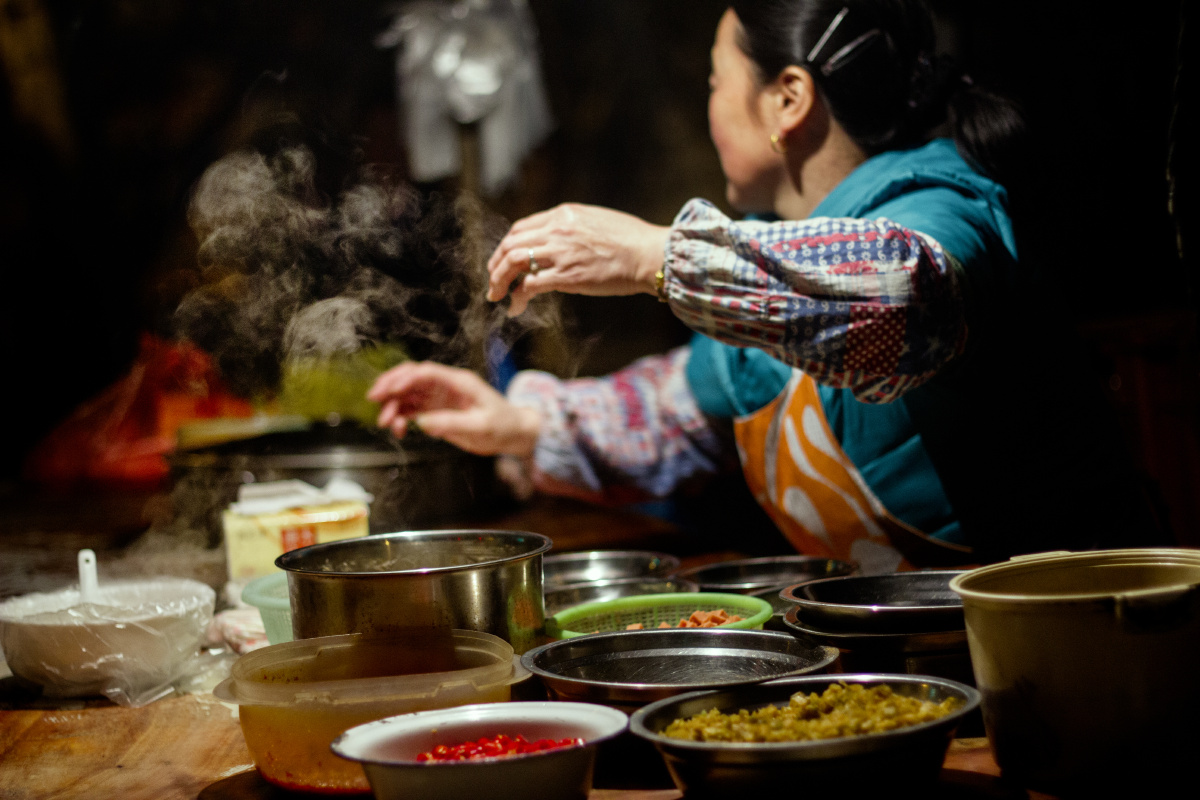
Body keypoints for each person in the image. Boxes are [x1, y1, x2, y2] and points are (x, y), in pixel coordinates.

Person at [369, 0, 1165, 571]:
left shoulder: (940, 202)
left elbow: (903, 296)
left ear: (788, 98)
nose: (708, 105)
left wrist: (658, 255)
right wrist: (513, 421)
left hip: (1071, 662)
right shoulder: (770, 275)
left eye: (715, 82)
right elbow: (680, 411)